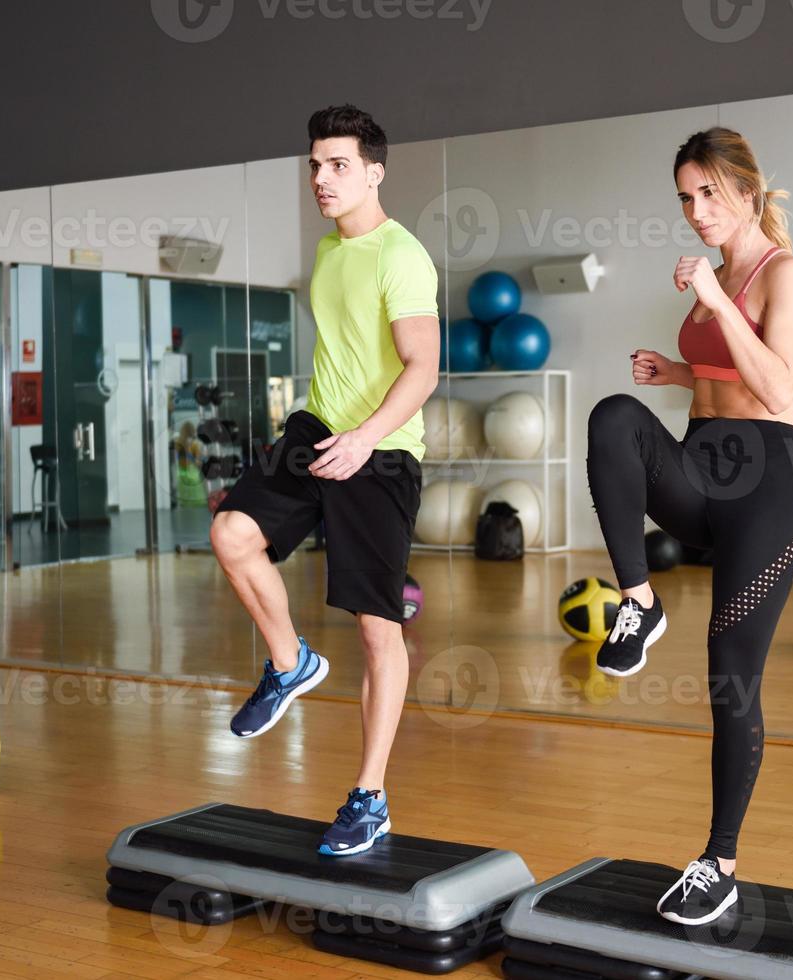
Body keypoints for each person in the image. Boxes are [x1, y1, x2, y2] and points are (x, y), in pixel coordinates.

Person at [586, 127, 793, 926]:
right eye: (684, 197)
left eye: (708, 193)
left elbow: (779, 390)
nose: (694, 210)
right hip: (702, 462)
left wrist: (716, 302)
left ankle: (718, 861)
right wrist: (676, 373)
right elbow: (725, 378)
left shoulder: (785, 273)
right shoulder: (712, 274)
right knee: (614, 416)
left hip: (767, 486)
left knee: (728, 675)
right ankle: (639, 601)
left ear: (747, 191)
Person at [207, 105, 439, 855]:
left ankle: (369, 797)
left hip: (384, 449)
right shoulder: (328, 253)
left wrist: (366, 439)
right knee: (232, 534)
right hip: (317, 428)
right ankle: (289, 663)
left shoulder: (400, 256)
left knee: (379, 630)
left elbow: (424, 367)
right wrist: (331, 434)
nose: (321, 178)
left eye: (338, 164)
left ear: (374, 170)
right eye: (314, 164)